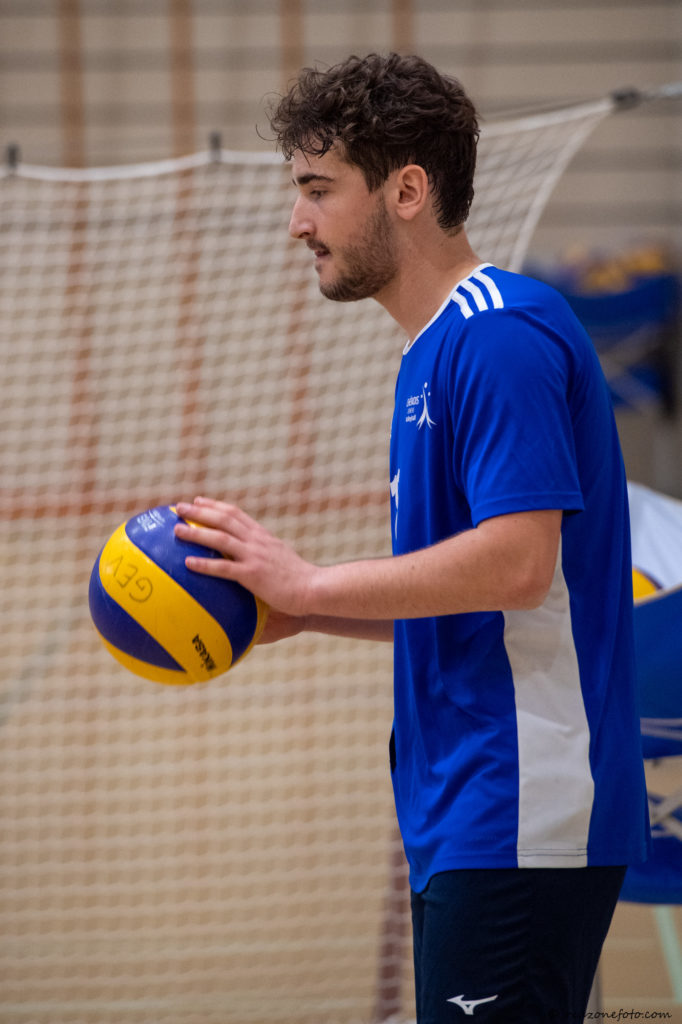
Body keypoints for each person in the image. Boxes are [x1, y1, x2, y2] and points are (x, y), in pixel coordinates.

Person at [175, 53, 650, 1022]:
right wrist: (307, 614)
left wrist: (309, 582)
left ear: (405, 191)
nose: (297, 221)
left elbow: (518, 566)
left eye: (317, 189)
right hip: (467, 811)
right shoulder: (431, 354)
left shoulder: (499, 334)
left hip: (519, 801)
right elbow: (468, 602)